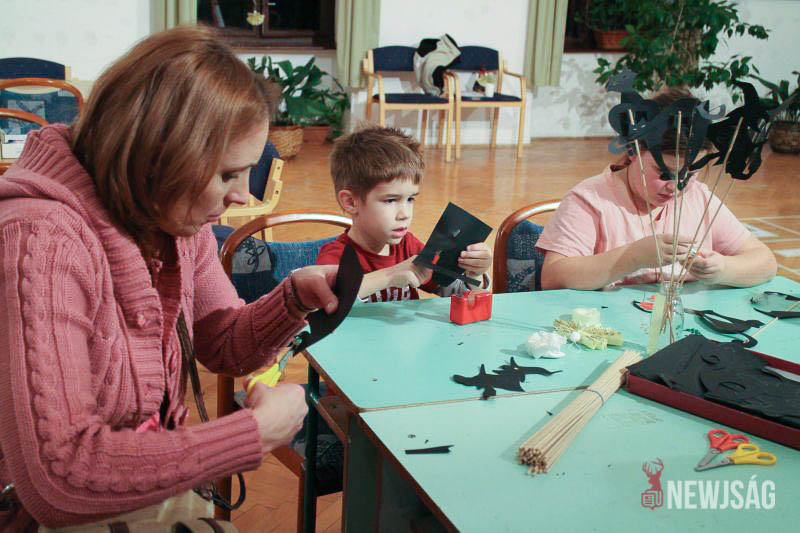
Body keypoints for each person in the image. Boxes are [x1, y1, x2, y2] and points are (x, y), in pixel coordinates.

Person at [0, 26, 340, 530]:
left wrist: (293, 298)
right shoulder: (41, 240)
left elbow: (224, 344)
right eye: (228, 174)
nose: (243, 196)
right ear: (160, 158)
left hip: (137, 489)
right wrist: (251, 435)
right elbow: (59, 477)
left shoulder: (170, 214)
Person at [537, 88, 777, 290]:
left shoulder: (698, 198)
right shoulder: (591, 200)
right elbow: (553, 278)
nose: (674, 187)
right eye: (664, 173)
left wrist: (723, 269)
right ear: (633, 151)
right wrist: (632, 257)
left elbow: (766, 263)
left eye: (688, 175)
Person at [316, 126, 493, 301]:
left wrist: (474, 274)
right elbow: (327, 302)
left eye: (410, 199)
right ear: (350, 202)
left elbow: (456, 293)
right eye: (390, 200)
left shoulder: (408, 245)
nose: (405, 214)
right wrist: (390, 276)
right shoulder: (336, 256)